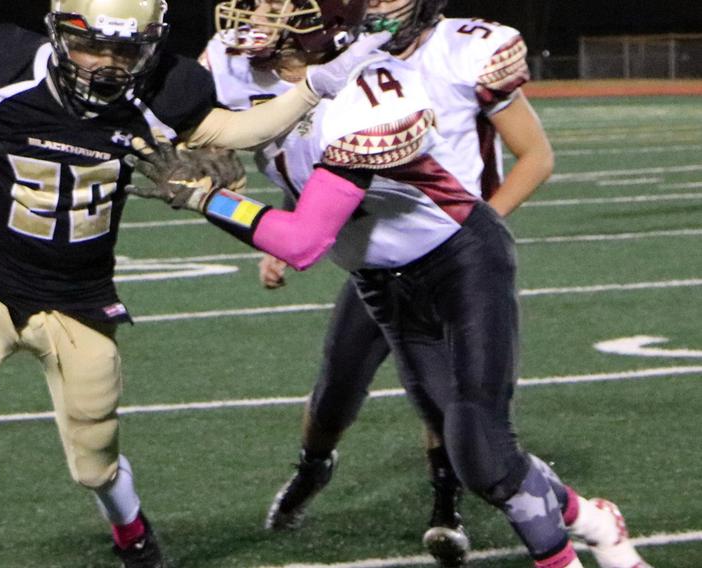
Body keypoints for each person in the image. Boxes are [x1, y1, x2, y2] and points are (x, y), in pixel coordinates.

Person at [129, 2, 653, 567]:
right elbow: (167, 140)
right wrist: (201, 153)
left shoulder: (378, 88)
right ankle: (592, 519)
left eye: (280, 5)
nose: (257, 15)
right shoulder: (229, 67)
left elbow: (304, 241)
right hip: (378, 279)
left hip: (458, 262)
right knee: (471, 450)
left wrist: (208, 198)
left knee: (482, 451)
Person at [0, 1, 390, 566]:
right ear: (60, 35)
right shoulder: (1, 64)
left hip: (81, 304)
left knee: (96, 465)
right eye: (93, 45)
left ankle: (132, 532)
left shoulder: (167, 92)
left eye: (126, 49)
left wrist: (312, 87)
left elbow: (239, 130)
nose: (106, 64)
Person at [204, 0, 555, 564]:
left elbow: (535, 156)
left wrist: (470, 235)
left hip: (440, 242)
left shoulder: (462, 51)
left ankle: (447, 506)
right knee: (338, 385)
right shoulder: (318, 60)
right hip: (367, 254)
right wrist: (288, 217)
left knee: (446, 402)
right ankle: (312, 468)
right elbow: (316, 158)